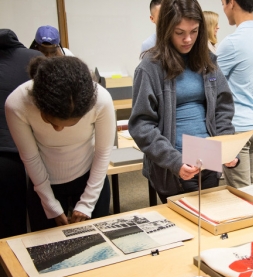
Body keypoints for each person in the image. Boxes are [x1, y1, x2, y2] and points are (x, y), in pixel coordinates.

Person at [129, 0, 235, 203]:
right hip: (175, 166)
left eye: (194, 31)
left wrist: (225, 146)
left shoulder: (207, 61)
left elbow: (223, 107)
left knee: (210, 219)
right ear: (166, 29)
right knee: (185, 226)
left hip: (209, 161)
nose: (188, 39)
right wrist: (175, 161)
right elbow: (141, 125)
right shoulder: (150, 67)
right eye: (179, 33)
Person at [5, 56, 115, 231]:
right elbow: (30, 157)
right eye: (51, 122)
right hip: (43, 183)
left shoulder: (101, 99)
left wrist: (87, 202)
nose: (58, 129)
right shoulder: (18, 103)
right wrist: (50, 204)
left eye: (69, 124)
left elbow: (103, 153)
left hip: (91, 179)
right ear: (39, 104)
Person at [217, 0, 253, 188]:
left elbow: (211, 86)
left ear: (231, 3)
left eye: (222, 3)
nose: (223, 10)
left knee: (239, 192)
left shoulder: (232, 43)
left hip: (238, 127)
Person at [0, 29, 43, 238]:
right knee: (33, 208)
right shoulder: (34, 58)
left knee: (8, 216)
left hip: (6, 147)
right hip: (24, 146)